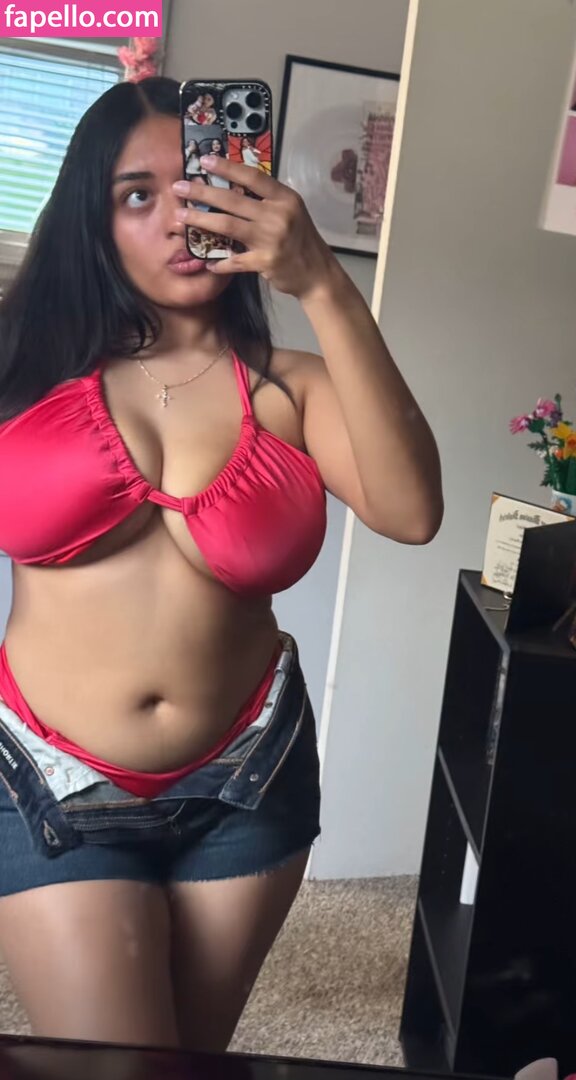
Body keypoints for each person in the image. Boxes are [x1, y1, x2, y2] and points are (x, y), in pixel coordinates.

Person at [0, 76, 443, 1053]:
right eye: (137, 195)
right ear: (92, 221)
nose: (179, 216)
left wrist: (322, 282)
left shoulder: (293, 387)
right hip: (47, 780)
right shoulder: (22, 365)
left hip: (248, 779)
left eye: (201, 183)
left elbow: (411, 512)